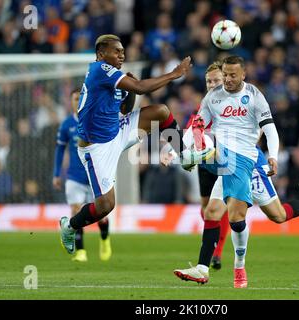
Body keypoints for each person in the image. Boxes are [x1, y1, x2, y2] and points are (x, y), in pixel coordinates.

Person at [174, 56, 299, 288]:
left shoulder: (254, 97)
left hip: (249, 164)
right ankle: (203, 268)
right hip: (226, 162)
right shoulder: (213, 98)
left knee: (276, 216)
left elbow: (270, 131)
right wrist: (177, 150)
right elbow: (196, 126)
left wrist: (272, 155)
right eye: (224, 76)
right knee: (212, 211)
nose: (227, 81)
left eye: (232, 76)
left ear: (243, 74)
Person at [59, 34, 213, 254]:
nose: (121, 55)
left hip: (117, 131)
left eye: (123, 51)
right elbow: (141, 87)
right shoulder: (98, 70)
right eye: (116, 51)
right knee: (105, 206)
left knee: (161, 111)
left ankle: (185, 156)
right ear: (101, 54)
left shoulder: (116, 77)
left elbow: (125, 110)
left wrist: (129, 91)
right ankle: (69, 226)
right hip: (97, 148)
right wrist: (174, 74)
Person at [53, 88, 111, 262]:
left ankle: (105, 239)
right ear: (70, 101)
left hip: (95, 176)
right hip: (74, 177)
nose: (77, 102)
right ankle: (81, 251)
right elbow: (59, 149)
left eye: (80, 98)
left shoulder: (95, 120)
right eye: (75, 99)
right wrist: (56, 174)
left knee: (102, 215)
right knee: (75, 211)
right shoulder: (66, 124)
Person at [185, 61, 230, 270]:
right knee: (206, 207)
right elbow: (192, 127)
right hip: (205, 162)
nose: (212, 84)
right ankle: (214, 244)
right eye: (209, 81)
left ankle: (217, 253)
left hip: (227, 163)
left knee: (218, 207)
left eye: (216, 80)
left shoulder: (234, 104)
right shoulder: (203, 104)